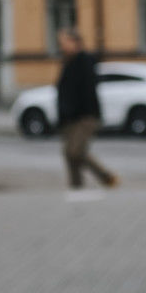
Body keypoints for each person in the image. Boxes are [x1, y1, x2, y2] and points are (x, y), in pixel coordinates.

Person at [55, 28, 117, 190]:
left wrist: (86, 114)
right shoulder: (67, 62)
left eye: (63, 42)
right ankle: (76, 185)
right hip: (69, 117)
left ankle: (104, 175)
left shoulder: (84, 61)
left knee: (75, 152)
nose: (60, 46)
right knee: (70, 154)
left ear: (75, 42)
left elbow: (87, 91)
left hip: (84, 116)